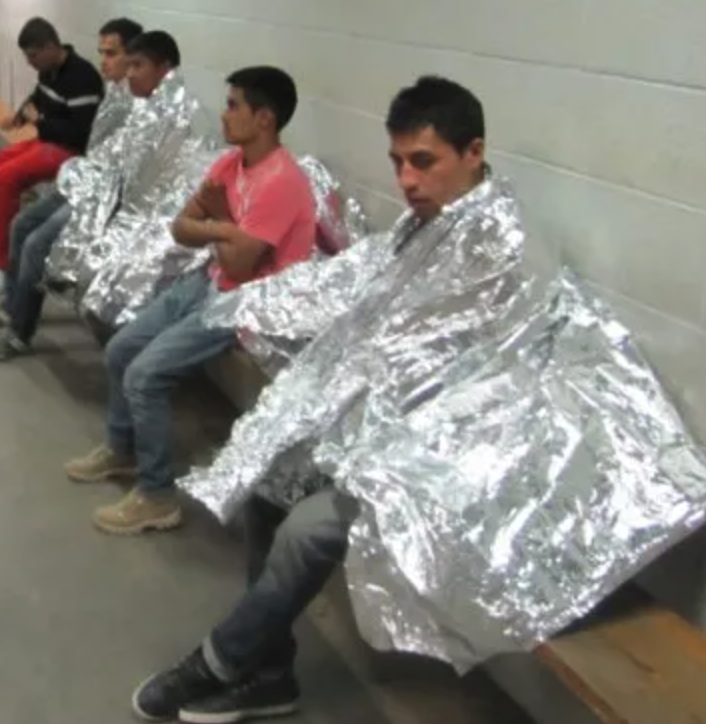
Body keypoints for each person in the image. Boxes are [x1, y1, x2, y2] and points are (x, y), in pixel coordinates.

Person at [130, 76, 489, 723]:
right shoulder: (424, 229)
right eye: (398, 163)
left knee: (305, 529)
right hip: (376, 430)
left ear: (473, 152)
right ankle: (271, 673)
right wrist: (251, 304)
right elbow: (348, 285)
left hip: (431, 459)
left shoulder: (492, 250)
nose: (407, 181)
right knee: (269, 482)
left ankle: (219, 661)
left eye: (424, 162)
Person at [66, 67, 317, 536]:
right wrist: (223, 226)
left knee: (145, 375)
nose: (224, 114)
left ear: (264, 118)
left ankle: (158, 496)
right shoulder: (231, 164)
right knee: (122, 348)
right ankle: (122, 450)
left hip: (245, 304)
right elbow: (181, 226)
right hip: (210, 281)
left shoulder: (282, 181)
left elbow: (244, 268)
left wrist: (218, 224)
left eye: (234, 105)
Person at [0, 21, 158, 362]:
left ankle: (19, 331)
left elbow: (130, 173)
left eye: (113, 54)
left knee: (36, 242)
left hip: (106, 197)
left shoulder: (152, 109)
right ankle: (12, 304)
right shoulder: (118, 93)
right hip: (89, 181)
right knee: (22, 224)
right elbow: (101, 151)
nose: (104, 61)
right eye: (102, 52)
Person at [0, 17, 105, 296]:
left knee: (4, 178)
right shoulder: (48, 70)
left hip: (70, 150)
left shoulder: (83, 76)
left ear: (51, 47)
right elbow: (37, 97)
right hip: (46, 141)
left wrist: (39, 120)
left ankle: (1, 266)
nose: (30, 63)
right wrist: (19, 117)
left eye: (33, 56)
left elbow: (80, 133)